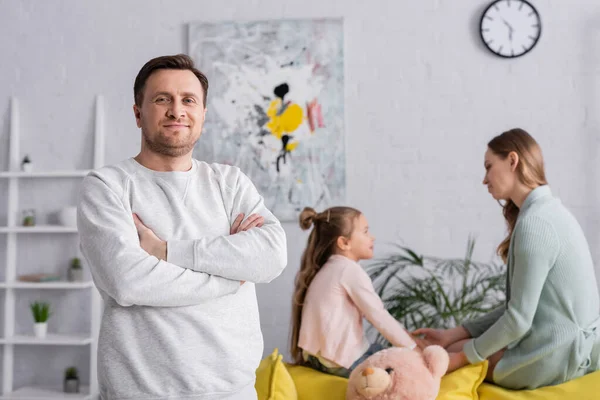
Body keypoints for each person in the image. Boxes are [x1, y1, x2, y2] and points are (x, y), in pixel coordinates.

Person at [77, 54, 287, 400]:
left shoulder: (230, 182)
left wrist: (165, 251)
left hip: (234, 392)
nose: (177, 110)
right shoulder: (107, 186)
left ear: (203, 113)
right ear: (138, 113)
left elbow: (272, 256)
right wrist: (232, 274)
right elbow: (128, 282)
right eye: (162, 99)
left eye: (188, 100)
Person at [414, 128, 600, 389]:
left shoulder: (536, 223)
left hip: (560, 355)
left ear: (512, 161)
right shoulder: (548, 212)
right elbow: (520, 309)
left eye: (489, 166)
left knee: (449, 355)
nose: (484, 179)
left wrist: (460, 358)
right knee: (453, 346)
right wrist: (452, 334)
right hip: (576, 350)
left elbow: (518, 320)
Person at [289, 206, 425, 378]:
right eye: (366, 232)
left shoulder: (330, 268)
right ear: (344, 243)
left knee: (380, 349)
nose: (372, 237)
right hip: (342, 361)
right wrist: (413, 348)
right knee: (408, 368)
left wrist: (405, 335)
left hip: (319, 358)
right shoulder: (348, 270)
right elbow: (378, 315)